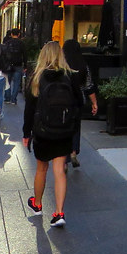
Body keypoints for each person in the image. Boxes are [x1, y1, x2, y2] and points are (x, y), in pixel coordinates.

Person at [22, 41, 95, 228]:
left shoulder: (37, 77)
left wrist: (26, 133)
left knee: (41, 169)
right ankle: (59, 212)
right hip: (63, 131)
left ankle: (37, 204)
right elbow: (79, 102)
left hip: (43, 131)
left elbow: (29, 109)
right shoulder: (69, 77)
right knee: (59, 170)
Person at [62, 39, 97, 168]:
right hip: (77, 100)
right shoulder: (83, 65)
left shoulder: (61, 65)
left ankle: (63, 161)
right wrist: (94, 103)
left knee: (63, 128)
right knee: (75, 127)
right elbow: (89, 85)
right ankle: (73, 153)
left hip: (62, 101)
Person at [1, 29, 27, 104]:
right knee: (16, 82)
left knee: (7, 82)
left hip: (8, 65)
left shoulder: (7, 43)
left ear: (11, 34)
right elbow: (25, 55)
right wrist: (25, 66)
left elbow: (4, 54)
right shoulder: (22, 43)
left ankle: (7, 98)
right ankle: (13, 99)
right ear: (19, 34)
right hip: (18, 65)